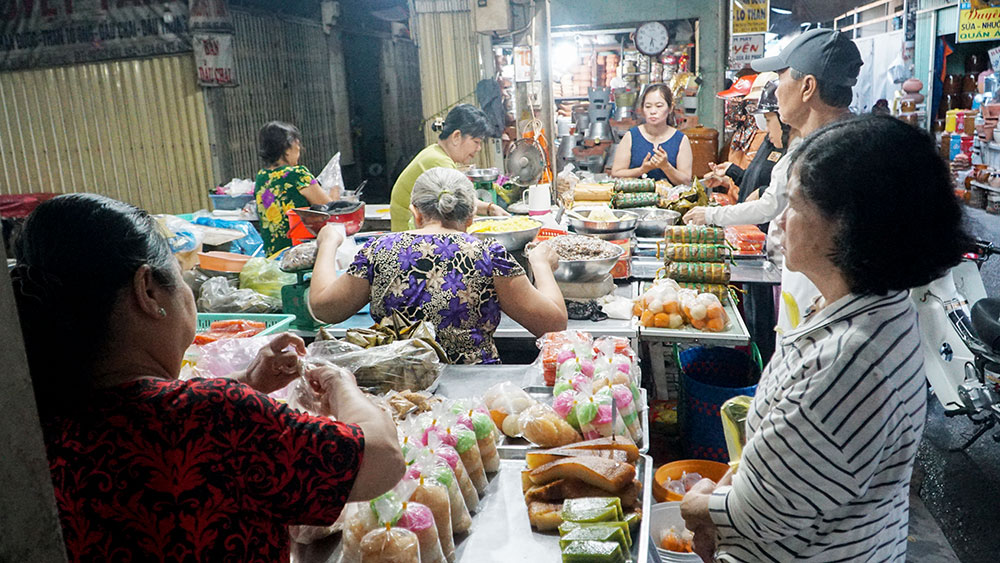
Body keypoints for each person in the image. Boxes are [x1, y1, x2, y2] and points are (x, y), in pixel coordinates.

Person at [11, 193, 404, 561]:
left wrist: (248, 380)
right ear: (148, 291)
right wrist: (341, 385)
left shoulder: (31, 426)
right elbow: (382, 457)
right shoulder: (220, 417)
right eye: (181, 275)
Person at [680, 115, 970, 562]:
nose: (780, 221)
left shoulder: (850, 361)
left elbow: (759, 512)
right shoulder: (867, 306)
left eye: (795, 206)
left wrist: (697, 504)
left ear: (849, 225)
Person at [683, 28, 863, 336]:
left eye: (781, 78)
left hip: (826, 311)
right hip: (806, 300)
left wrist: (711, 215)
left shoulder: (837, 157)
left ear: (807, 87)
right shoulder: (815, 146)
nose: (776, 93)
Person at [311, 167, 567, 364]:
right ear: (471, 218)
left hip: (398, 390)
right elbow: (553, 325)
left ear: (416, 213)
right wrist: (540, 263)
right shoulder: (488, 254)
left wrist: (328, 242)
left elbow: (324, 308)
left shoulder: (377, 250)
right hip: (474, 394)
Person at [390, 104, 508, 231]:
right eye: (476, 142)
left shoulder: (436, 153)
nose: (478, 148)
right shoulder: (437, 160)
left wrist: (491, 209)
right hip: (410, 235)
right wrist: (490, 209)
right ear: (456, 136)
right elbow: (461, 202)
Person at [704, 79, 792, 204]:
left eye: (755, 104)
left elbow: (777, 193)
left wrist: (762, 192)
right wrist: (729, 174)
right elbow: (752, 180)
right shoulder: (746, 137)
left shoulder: (778, 141)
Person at [255, 121, 336, 255]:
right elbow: (330, 209)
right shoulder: (297, 174)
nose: (299, 149)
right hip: (298, 255)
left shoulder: (261, 176)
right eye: (297, 144)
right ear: (287, 148)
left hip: (272, 255)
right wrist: (335, 188)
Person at [611, 83, 693, 185]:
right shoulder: (631, 136)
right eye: (648, 106)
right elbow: (616, 173)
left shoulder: (680, 139)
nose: (653, 111)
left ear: (670, 108)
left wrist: (666, 166)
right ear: (642, 109)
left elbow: (686, 181)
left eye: (659, 106)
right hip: (635, 195)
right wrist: (642, 170)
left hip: (670, 195)